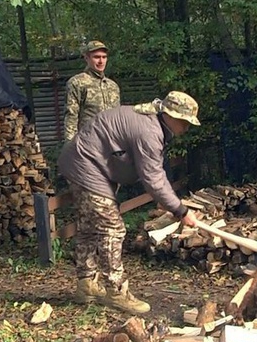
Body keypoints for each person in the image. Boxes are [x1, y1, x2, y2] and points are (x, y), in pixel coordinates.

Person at [57, 91, 200, 314]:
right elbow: (153, 177)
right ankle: (116, 292)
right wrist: (181, 210)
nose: (186, 128)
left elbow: (150, 173)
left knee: (89, 226)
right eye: (184, 122)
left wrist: (166, 200)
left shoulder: (151, 119)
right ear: (170, 115)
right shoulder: (149, 131)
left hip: (81, 160)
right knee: (112, 229)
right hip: (86, 164)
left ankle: (86, 285)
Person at [63, 40, 121, 142]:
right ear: (87, 58)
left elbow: (118, 117)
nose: (101, 61)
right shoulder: (77, 83)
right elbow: (71, 115)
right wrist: (71, 145)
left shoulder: (113, 86)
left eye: (104, 57)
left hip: (113, 142)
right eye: (96, 57)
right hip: (89, 142)